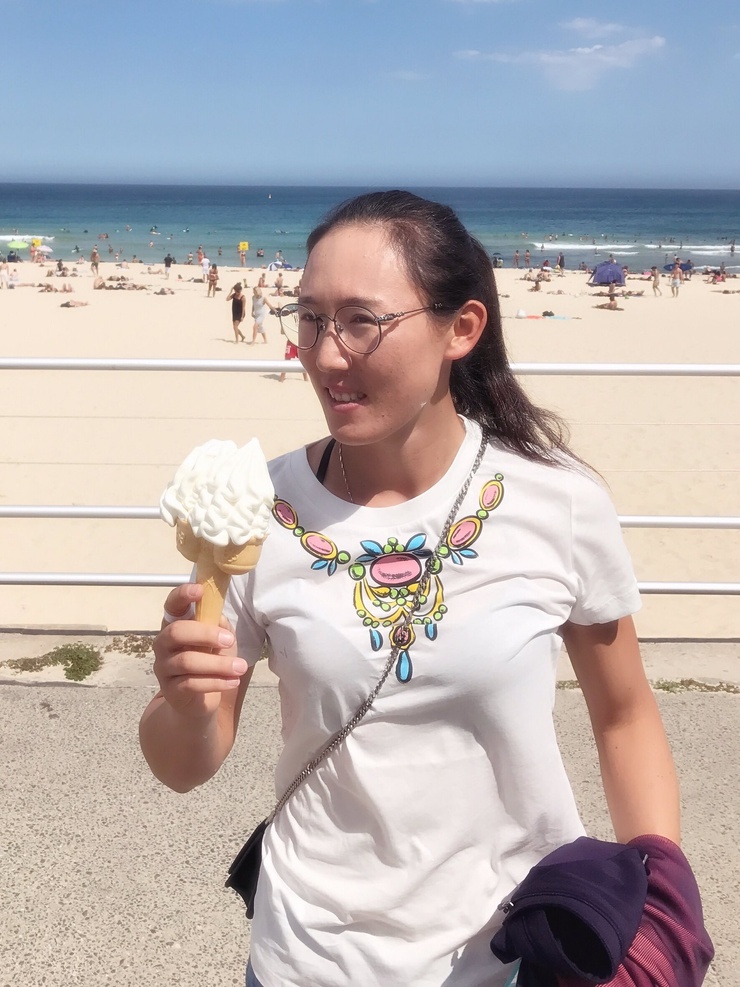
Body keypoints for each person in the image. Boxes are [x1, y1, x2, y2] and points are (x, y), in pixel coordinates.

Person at [140, 190, 680, 987]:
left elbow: (625, 713)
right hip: (305, 958)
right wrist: (185, 704)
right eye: (310, 318)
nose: (326, 356)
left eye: (362, 320)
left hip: (507, 956)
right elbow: (184, 763)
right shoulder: (258, 510)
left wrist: (661, 903)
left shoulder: (557, 501)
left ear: (461, 327)